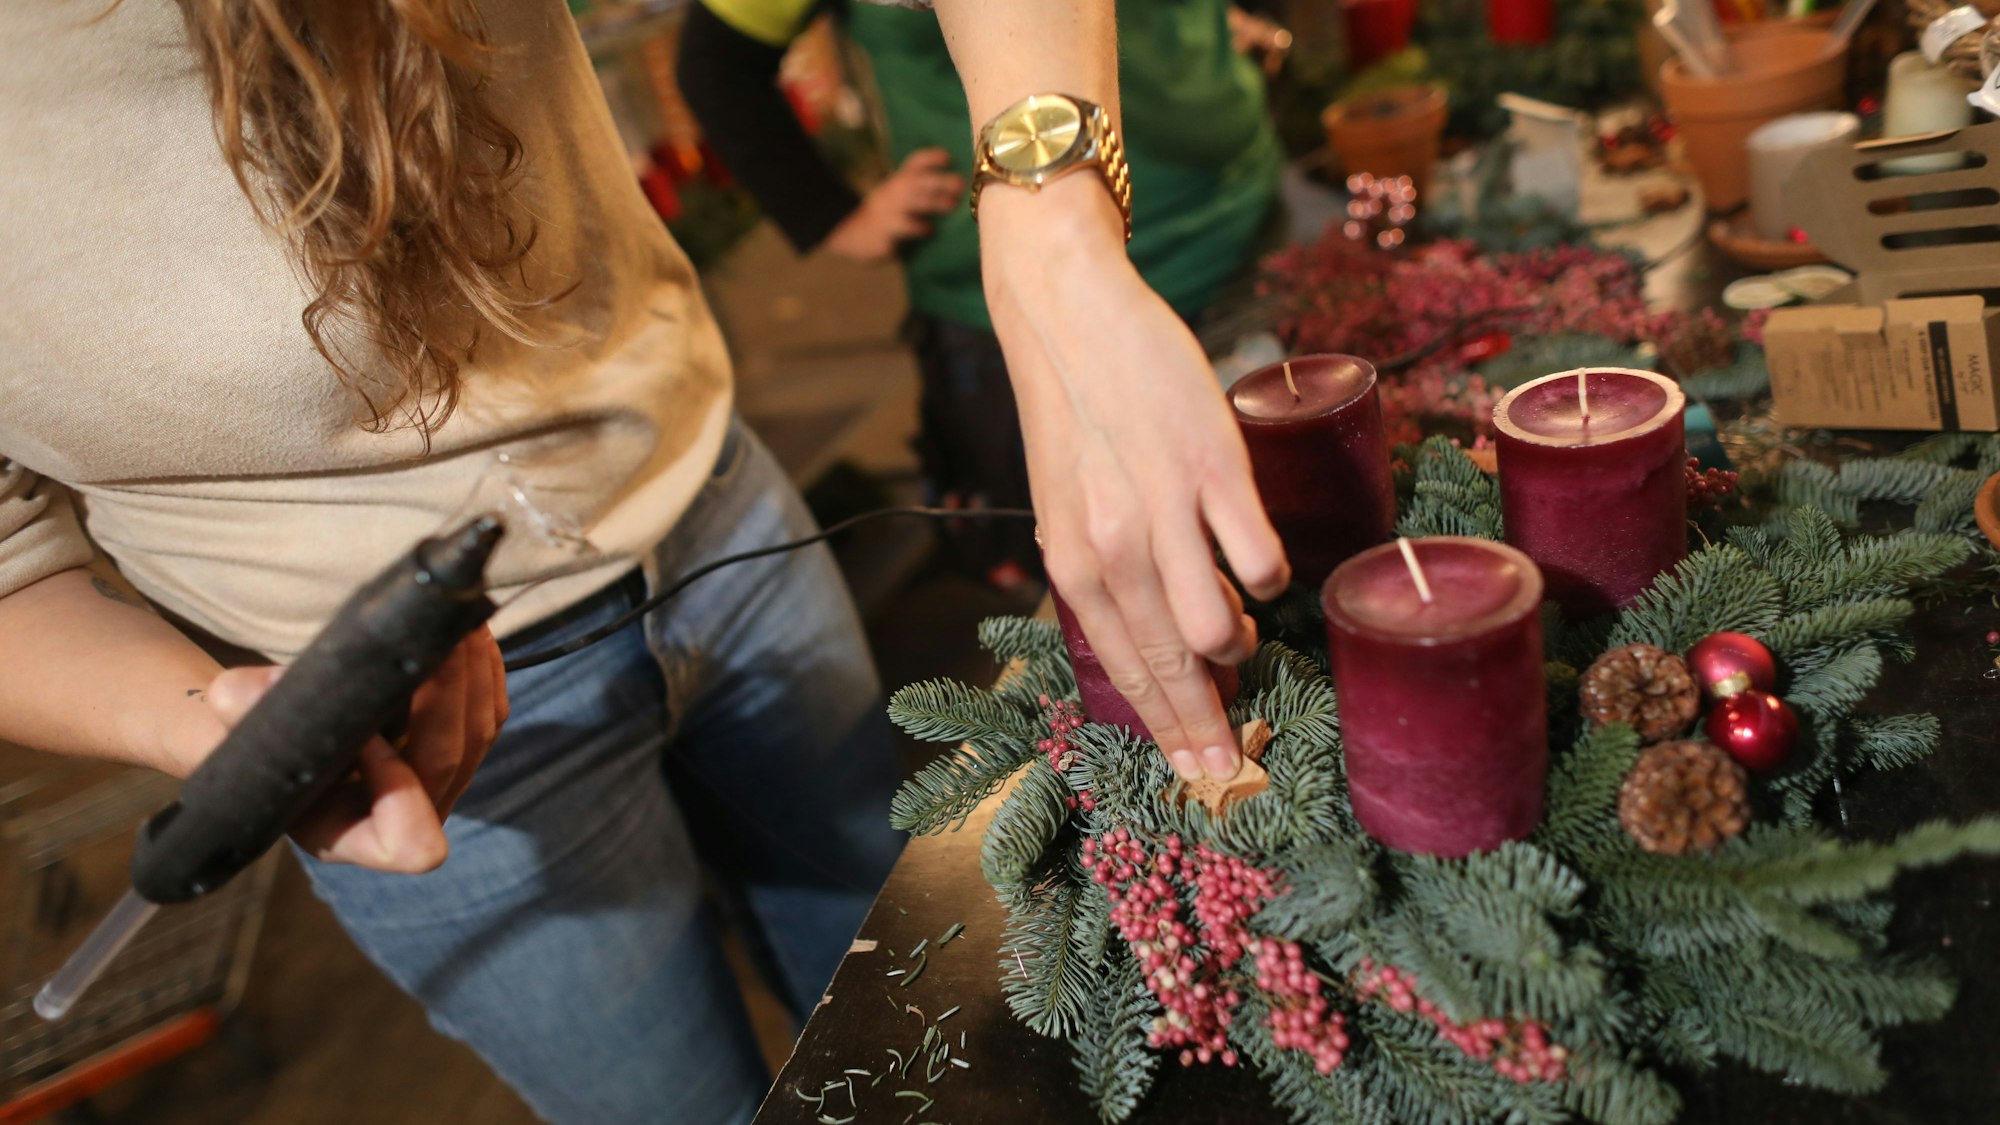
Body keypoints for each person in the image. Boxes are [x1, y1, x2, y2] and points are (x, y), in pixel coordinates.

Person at [0, 1, 1286, 1122]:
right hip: (395, 739)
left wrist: (1052, 240)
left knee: (954, 1034)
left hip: (727, 521)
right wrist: (203, 721)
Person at [678, 0, 1287, 592]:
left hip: (1241, 218)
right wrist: (834, 216)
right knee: (1102, 566)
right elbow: (716, 60)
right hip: (1011, 313)